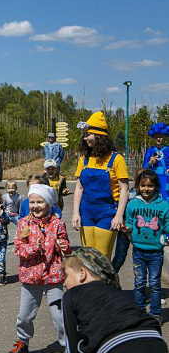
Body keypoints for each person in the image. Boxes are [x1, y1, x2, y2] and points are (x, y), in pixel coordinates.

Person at [7, 184, 79, 353]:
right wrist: (34, 248)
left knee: (60, 316)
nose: (35, 206)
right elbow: (18, 250)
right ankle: (22, 342)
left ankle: (71, 350)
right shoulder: (23, 223)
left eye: (40, 202)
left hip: (53, 277)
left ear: (49, 204)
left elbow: (67, 248)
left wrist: (63, 246)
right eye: (32, 202)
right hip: (30, 278)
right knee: (24, 315)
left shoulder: (57, 223)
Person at [63, 247, 167, 353]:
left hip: (117, 351)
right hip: (157, 346)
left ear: (82, 273)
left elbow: (75, 351)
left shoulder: (71, 295)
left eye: (66, 275)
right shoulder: (117, 293)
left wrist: (83, 351)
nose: (64, 283)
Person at [72, 111, 129, 260]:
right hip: (87, 212)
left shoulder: (116, 159)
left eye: (87, 135)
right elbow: (79, 187)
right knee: (88, 256)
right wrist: (75, 213)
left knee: (102, 257)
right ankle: (91, 284)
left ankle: (104, 284)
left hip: (108, 212)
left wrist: (118, 215)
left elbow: (124, 189)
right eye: (84, 136)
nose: (85, 139)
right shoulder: (84, 159)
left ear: (99, 136)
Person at [123, 169, 169, 324]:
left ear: (156, 186)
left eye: (150, 185)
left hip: (156, 252)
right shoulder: (132, 204)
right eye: (143, 185)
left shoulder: (164, 206)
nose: (146, 189)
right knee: (140, 281)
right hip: (138, 251)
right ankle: (140, 312)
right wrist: (126, 229)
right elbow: (129, 223)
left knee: (155, 283)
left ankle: (156, 313)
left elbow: (168, 226)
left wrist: (166, 237)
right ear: (137, 186)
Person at [143, 122, 169, 201]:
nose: (158, 139)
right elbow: (144, 167)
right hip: (152, 179)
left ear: (165, 137)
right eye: (156, 136)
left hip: (166, 179)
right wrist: (150, 163)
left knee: (165, 199)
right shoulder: (150, 150)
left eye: (161, 136)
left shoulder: (168, 150)